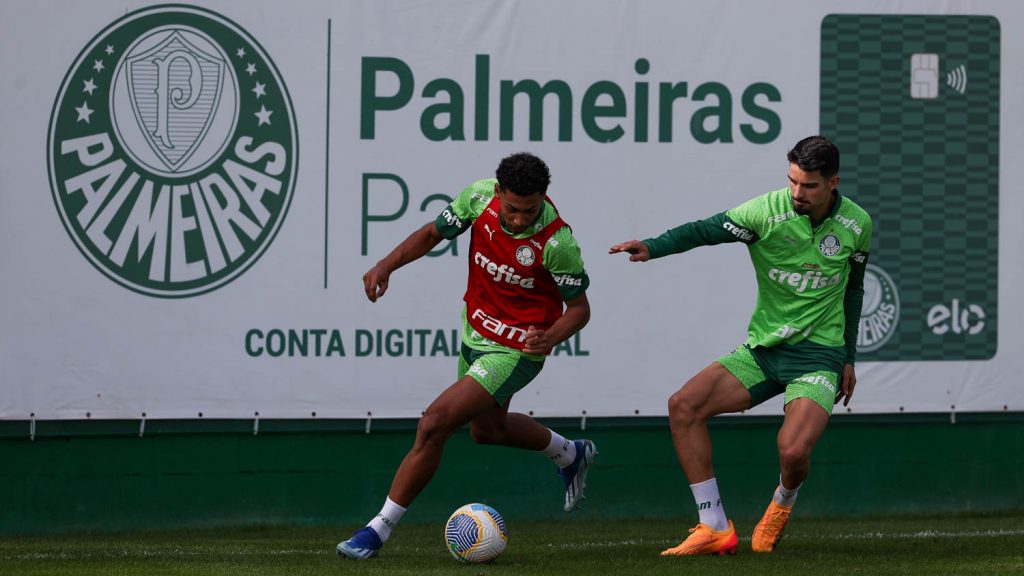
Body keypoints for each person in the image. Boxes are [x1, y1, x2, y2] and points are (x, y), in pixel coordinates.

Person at [609, 136, 871, 555]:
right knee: (684, 405)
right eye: (792, 182)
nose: (797, 194)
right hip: (764, 352)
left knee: (793, 451)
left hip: (819, 356)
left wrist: (849, 358)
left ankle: (782, 503)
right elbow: (703, 230)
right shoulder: (764, 212)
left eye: (809, 186)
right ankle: (713, 525)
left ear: (833, 182)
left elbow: (854, 292)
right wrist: (652, 246)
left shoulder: (857, 224)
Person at [337, 152, 596, 559]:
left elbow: (580, 310)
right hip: (474, 332)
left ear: (544, 198)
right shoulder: (478, 199)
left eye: (529, 211)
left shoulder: (558, 243)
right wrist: (387, 264)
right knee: (486, 431)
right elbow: (433, 233)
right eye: (511, 209)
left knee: (434, 423)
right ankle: (569, 452)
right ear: (497, 193)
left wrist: (550, 337)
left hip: (516, 350)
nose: (517, 219)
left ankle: (376, 530)